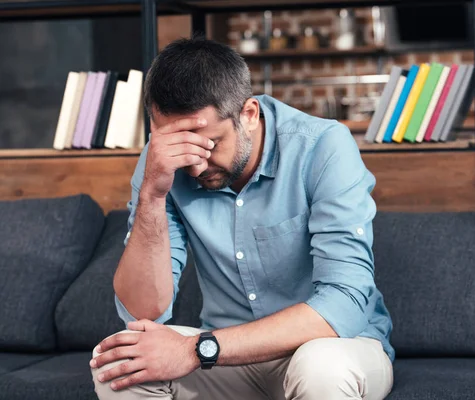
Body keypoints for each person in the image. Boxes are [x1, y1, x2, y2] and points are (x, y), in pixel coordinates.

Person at [89, 36, 394, 400]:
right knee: (119, 364)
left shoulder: (323, 147)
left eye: (210, 142)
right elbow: (141, 312)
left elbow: (345, 301)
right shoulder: (164, 163)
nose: (196, 165)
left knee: (319, 366)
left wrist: (196, 349)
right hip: (227, 358)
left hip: (336, 346)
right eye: (181, 147)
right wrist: (152, 196)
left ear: (248, 115)